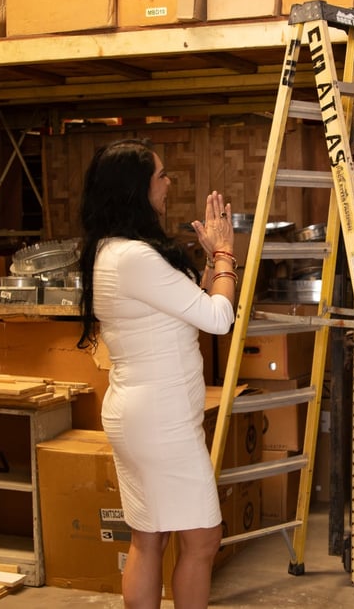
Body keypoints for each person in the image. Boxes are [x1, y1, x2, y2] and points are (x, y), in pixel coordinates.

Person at [77, 138, 237, 609]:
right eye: (161, 176)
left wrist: (210, 262)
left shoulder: (111, 250)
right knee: (203, 538)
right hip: (160, 422)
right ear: (136, 189)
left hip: (145, 416)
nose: (169, 183)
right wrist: (226, 255)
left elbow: (188, 306)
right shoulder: (134, 257)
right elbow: (218, 318)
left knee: (149, 536)